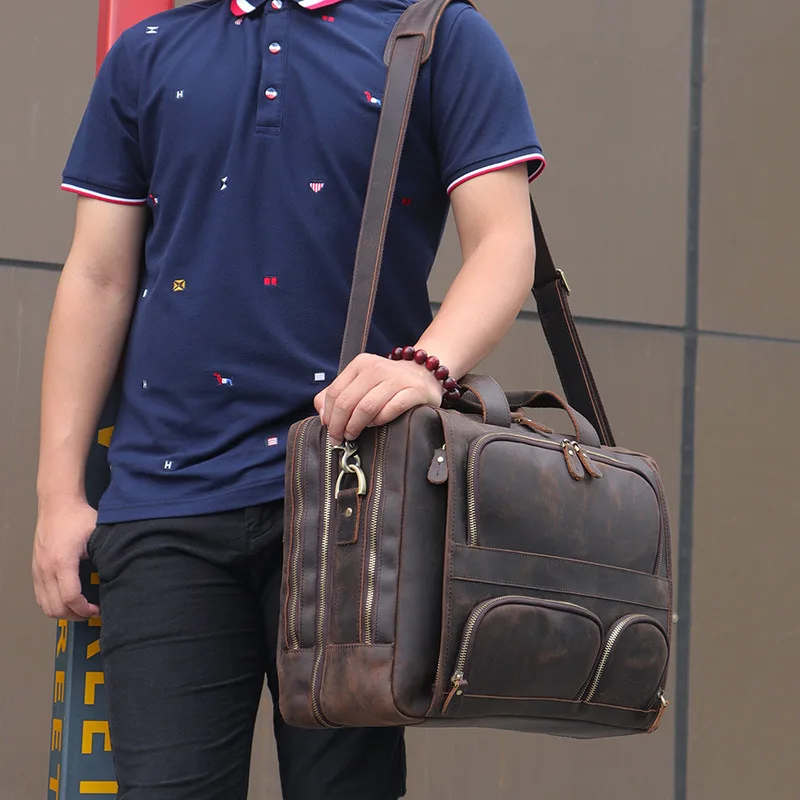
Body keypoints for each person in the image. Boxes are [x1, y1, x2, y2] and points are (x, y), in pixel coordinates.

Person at [32, 0, 544, 797]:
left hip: (353, 504)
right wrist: (58, 497)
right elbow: (97, 277)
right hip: (162, 505)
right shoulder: (148, 50)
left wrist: (426, 366)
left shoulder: (441, 36)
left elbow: (505, 240)